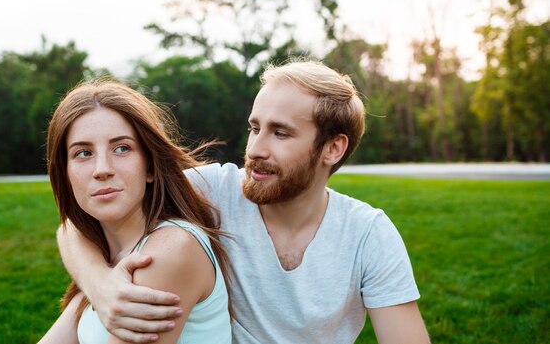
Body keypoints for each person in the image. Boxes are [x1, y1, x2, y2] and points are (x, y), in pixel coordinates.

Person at [57, 61, 431, 343]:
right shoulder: (214, 189)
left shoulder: (368, 234)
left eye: (280, 133)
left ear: (333, 148)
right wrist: (101, 286)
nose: (255, 149)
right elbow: (85, 216)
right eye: (254, 128)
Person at [38, 79, 232, 344]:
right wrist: (98, 283)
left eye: (122, 148)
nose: (101, 169)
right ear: (66, 173)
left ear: (150, 167)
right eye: (83, 153)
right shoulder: (105, 266)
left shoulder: (171, 248)